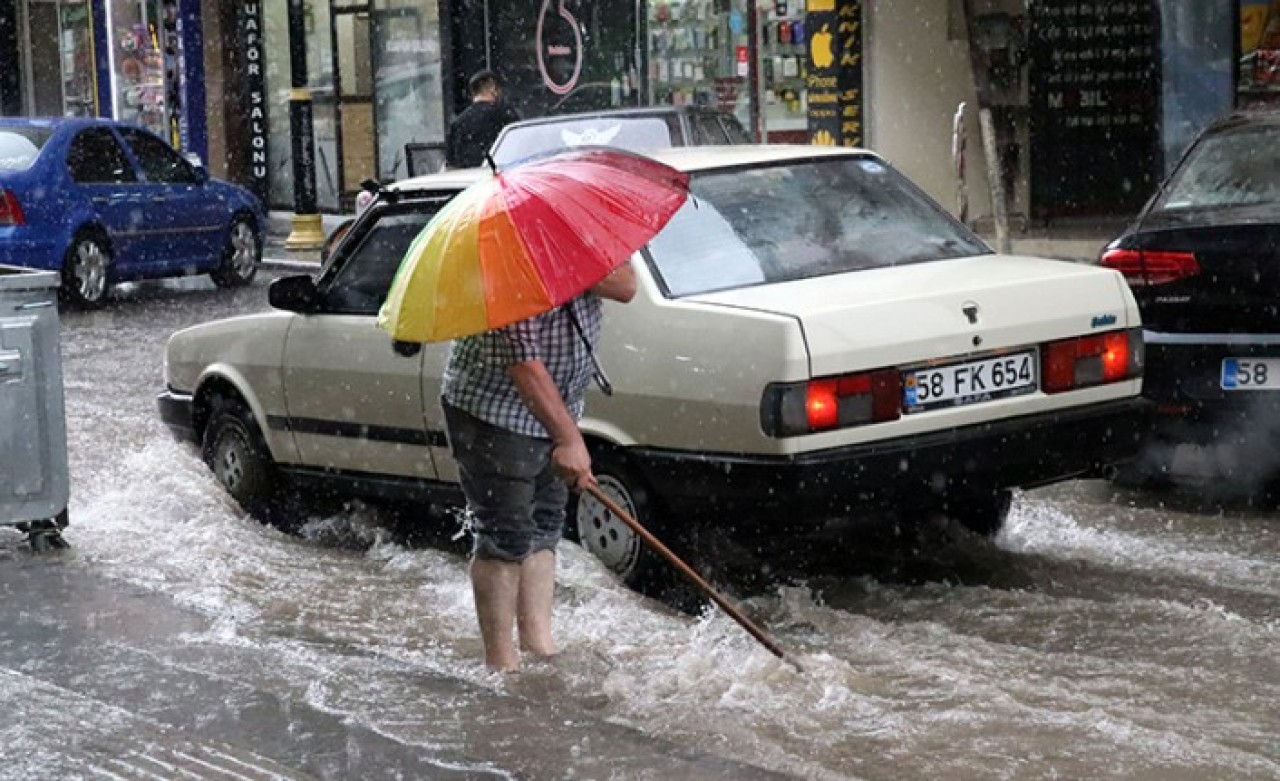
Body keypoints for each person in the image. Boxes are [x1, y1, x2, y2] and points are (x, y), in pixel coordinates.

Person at [441, 265, 637, 672]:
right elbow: (524, 364)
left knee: (544, 525)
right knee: (504, 534)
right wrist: (568, 440)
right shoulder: (504, 261)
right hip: (495, 411)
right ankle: (503, 665)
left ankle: (539, 648)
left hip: (558, 407)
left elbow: (625, 285)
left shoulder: (573, 246)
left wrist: (561, 268)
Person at [445, 70, 521, 169]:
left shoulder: (458, 123)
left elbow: (451, 163)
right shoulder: (505, 114)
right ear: (493, 89)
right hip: (498, 176)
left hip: (470, 179)